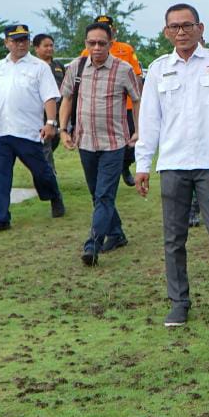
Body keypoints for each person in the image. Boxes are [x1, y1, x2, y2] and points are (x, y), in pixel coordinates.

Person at [135, 4, 209, 324]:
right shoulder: (158, 69)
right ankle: (179, 301)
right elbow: (150, 119)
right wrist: (143, 163)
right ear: (166, 32)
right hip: (173, 163)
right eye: (174, 27)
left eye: (187, 25)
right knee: (174, 237)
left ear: (201, 28)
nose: (181, 32)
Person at [59, 22, 141, 266]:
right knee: (98, 194)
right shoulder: (76, 66)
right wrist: (63, 130)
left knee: (104, 195)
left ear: (110, 44)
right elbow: (67, 99)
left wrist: (138, 130)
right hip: (85, 141)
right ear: (85, 44)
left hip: (114, 143)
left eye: (101, 43)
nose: (96, 48)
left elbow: (137, 101)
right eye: (91, 43)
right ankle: (116, 234)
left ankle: (92, 244)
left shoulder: (123, 69)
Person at [0, 24, 65, 233]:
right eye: (16, 40)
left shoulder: (39, 67)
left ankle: (53, 195)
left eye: (24, 40)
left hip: (27, 131)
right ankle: (1, 218)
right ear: (6, 42)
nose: (20, 44)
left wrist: (51, 123)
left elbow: (49, 97)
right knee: (0, 176)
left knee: (41, 172)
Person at [79, 15, 142, 187]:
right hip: (100, 106)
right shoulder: (86, 53)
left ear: (113, 31)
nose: (97, 46)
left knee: (129, 144)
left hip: (126, 104)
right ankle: (110, 171)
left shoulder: (125, 49)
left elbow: (136, 75)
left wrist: (139, 100)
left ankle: (124, 166)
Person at [32, 33, 65, 169]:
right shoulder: (33, 66)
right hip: (40, 114)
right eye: (45, 46)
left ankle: (41, 170)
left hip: (58, 112)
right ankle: (50, 175)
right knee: (45, 146)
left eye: (51, 45)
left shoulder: (58, 66)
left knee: (53, 143)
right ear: (36, 48)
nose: (49, 49)